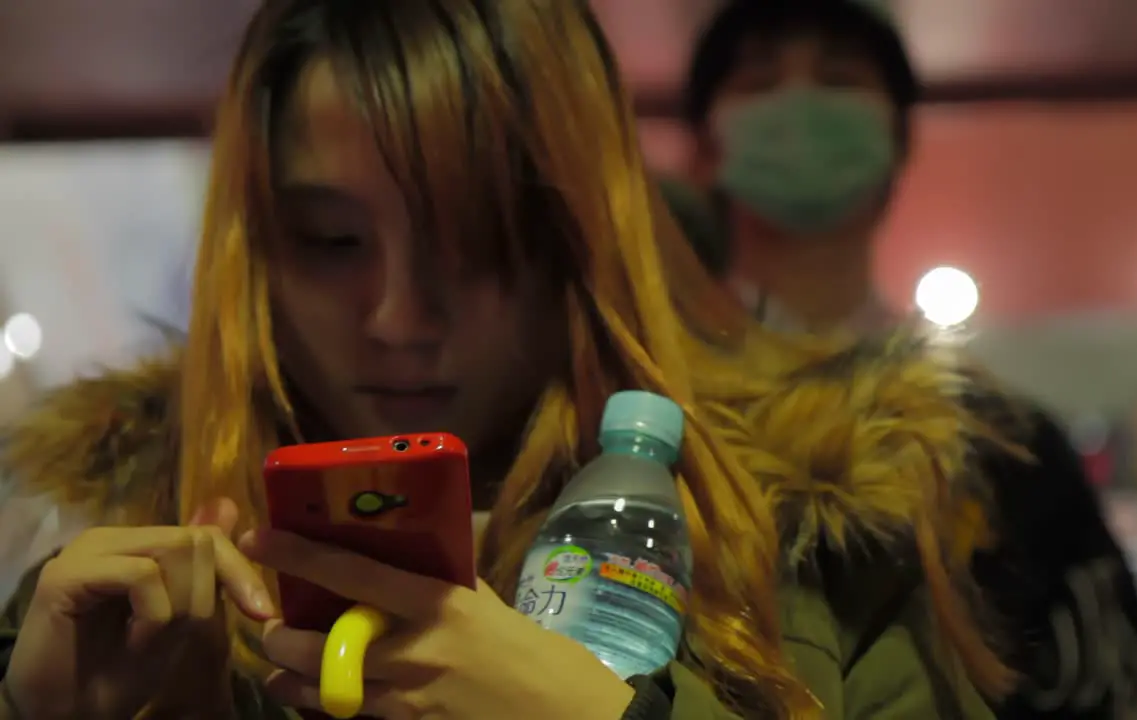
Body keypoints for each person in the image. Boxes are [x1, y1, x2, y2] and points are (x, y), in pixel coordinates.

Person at [0, 1, 1011, 718]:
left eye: (476, 239)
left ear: (579, 241)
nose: (399, 316)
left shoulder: (813, 543)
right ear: (253, 254)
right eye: (331, 241)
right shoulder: (110, 553)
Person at [668, 0, 1137, 717]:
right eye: (759, 80)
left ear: (899, 138)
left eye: (839, 77)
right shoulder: (643, 395)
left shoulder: (1006, 440)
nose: (801, 103)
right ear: (706, 145)